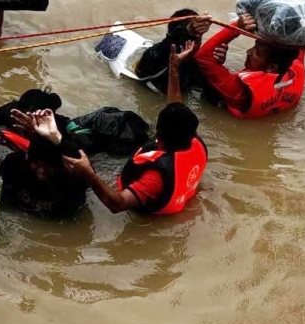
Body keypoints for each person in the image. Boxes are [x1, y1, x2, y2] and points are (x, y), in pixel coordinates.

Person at [63, 44, 208, 215]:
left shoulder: (154, 178)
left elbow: (118, 204)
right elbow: (176, 109)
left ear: (159, 138)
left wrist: (90, 174)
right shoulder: (195, 142)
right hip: (178, 189)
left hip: (148, 210)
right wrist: (174, 68)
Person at [191, 13, 305, 118]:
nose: (249, 51)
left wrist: (237, 27)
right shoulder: (296, 66)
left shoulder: (240, 91)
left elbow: (202, 57)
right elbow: (301, 37)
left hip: (221, 107)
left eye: (257, 52)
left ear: (271, 68)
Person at [0, 108, 89, 218]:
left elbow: (86, 173)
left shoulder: (71, 181)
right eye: (37, 164)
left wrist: (57, 139)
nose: (41, 170)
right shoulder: (14, 164)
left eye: (48, 166)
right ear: (28, 156)